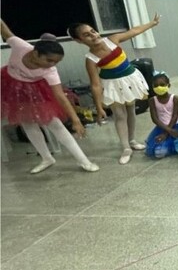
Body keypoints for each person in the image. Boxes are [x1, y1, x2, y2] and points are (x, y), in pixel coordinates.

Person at [1, 20, 98, 173]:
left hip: (36, 90)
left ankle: (83, 160)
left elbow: (60, 96)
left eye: (56, 62)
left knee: (55, 124)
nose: (52, 64)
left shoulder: (50, 71)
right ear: (35, 53)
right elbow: (4, 30)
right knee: (27, 123)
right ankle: (47, 158)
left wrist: (76, 120)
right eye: (49, 60)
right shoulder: (21, 46)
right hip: (11, 86)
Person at [70, 14, 160, 165]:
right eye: (86, 35)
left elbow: (135, 31)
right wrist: (99, 108)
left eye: (92, 31)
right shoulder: (90, 59)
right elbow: (95, 84)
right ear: (79, 41)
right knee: (119, 115)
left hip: (130, 80)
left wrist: (152, 23)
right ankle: (126, 148)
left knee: (131, 110)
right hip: (112, 85)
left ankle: (132, 140)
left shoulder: (112, 39)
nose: (92, 35)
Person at [145, 73, 178, 159]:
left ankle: (175, 146)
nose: (159, 87)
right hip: (161, 127)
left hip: (176, 125)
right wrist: (168, 132)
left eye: (162, 85)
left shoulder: (175, 98)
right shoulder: (152, 100)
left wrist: (166, 133)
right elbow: (154, 118)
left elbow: (175, 116)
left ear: (168, 85)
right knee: (159, 153)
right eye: (156, 85)